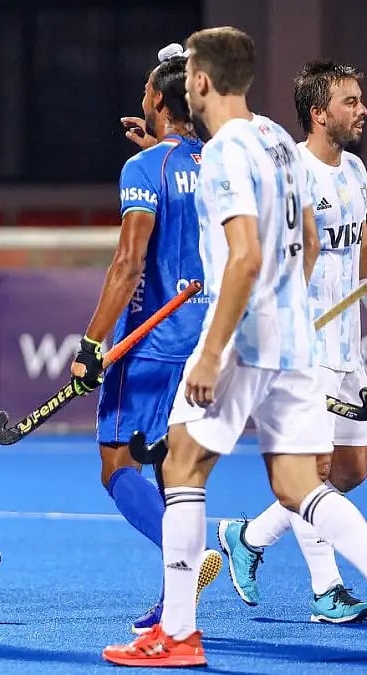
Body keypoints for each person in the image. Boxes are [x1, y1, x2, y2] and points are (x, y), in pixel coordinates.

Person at [102, 27, 367, 668]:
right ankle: (180, 629)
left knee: (181, 471)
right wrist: (287, 307)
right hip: (297, 339)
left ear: (200, 80)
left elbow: (244, 256)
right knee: (303, 485)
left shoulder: (224, 151)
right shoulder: (279, 140)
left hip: (243, 338)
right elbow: (305, 231)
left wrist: (215, 349)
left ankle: (179, 635)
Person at [70, 47, 222, 634]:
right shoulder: (213, 160)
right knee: (174, 469)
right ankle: (176, 605)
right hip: (207, 338)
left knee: (116, 466)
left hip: (155, 340)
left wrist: (92, 342)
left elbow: (129, 263)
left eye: (145, 89)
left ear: (157, 99)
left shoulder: (144, 172)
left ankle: (182, 558)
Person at [217, 59, 367, 624]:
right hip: (307, 351)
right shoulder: (293, 175)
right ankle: (327, 589)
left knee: (352, 470)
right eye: (350, 102)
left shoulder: (356, 172)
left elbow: (361, 253)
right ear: (318, 113)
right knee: (316, 473)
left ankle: (249, 537)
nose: (362, 110)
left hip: (350, 347)